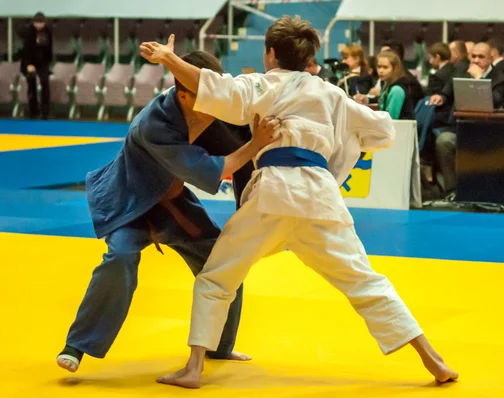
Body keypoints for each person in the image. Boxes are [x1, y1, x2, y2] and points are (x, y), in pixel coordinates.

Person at [140, 16, 458, 389]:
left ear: (271, 54)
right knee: (366, 282)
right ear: (308, 56)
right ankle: (434, 360)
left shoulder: (260, 84)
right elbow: (383, 130)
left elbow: (214, 87)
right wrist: (343, 136)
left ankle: (193, 368)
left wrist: (169, 59)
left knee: (216, 277)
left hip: (274, 194)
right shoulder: (331, 94)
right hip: (321, 198)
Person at [56, 50, 281, 373]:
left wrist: (245, 213)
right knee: (120, 257)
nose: (217, 101)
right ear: (184, 94)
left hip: (172, 202)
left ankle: (219, 344)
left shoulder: (218, 107)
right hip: (130, 200)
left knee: (225, 259)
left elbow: (244, 152)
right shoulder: (154, 125)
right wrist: (254, 144)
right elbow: (220, 167)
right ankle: (78, 345)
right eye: (207, 94)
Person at [20, 11, 53, 119]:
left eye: (40, 23)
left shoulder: (48, 32)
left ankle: (45, 111)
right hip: (30, 61)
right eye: (36, 23)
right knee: (32, 82)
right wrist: (28, 65)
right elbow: (26, 51)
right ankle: (33, 109)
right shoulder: (29, 32)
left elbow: (49, 49)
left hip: (42, 62)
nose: (38, 25)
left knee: (45, 83)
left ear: (44, 23)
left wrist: (48, 64)